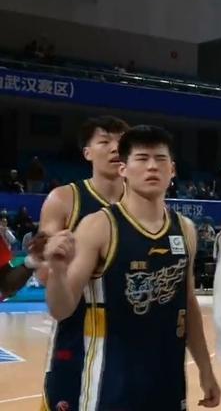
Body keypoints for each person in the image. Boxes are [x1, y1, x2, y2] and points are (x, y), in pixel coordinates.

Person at [44, 125, 221, 409]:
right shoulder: (98, 226)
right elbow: (61, 310)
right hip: (110, 386)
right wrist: (57, 270)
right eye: (142, 158)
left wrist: (205, 369)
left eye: (160, 159)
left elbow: (188, 304)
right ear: (123, 169)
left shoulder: (185, 229)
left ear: (172, 170)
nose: (152, 166)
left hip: (168, 382)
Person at [38, 116, 130, 411]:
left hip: (131, 335)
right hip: (77, 330)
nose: (115, 148)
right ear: (87, 152)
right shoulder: (63, 199)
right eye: (105, 141)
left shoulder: (146, 205)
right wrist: (58, 257)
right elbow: (43, 271)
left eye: (121, 142)